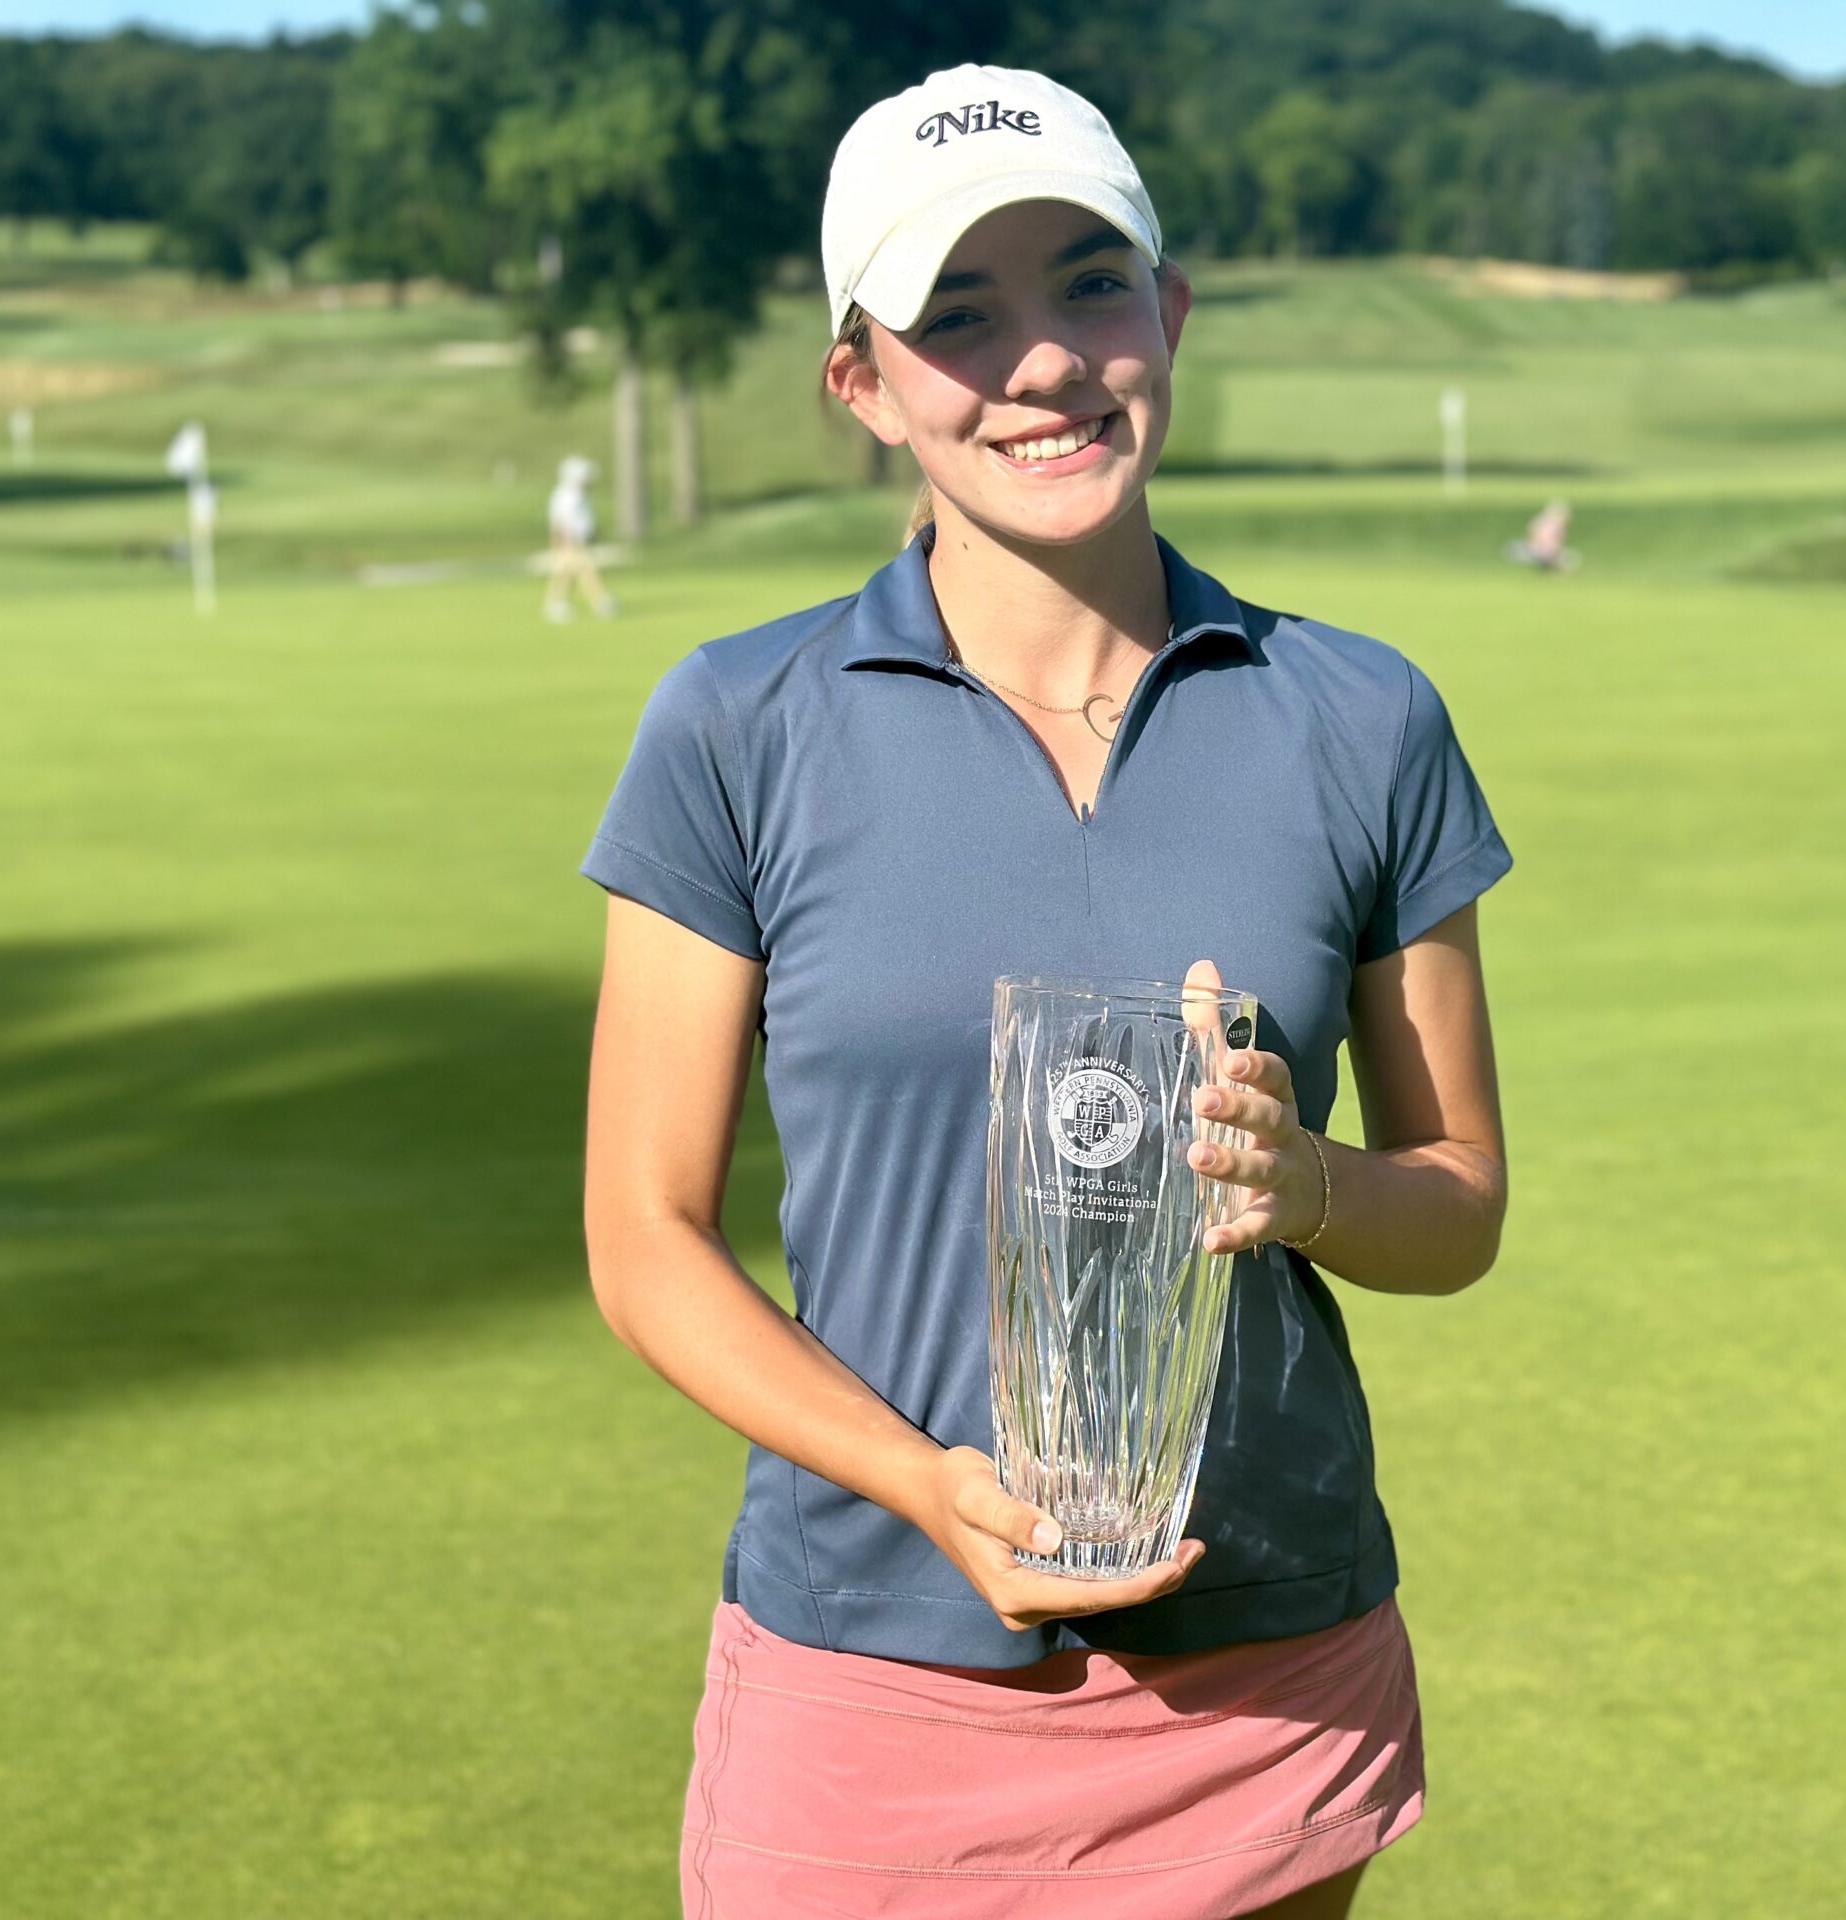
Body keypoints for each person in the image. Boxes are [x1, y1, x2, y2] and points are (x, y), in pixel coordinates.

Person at [582, 62, 1515, 1920]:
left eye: (1091, 284)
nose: (1043, 363)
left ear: (1170, 312)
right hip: (876, 1663)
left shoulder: (1361, 716)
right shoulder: (736, 727)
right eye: (959, 315)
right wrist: (928, 1489)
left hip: (1264, 1669)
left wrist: (1307, 1183)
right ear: (862, 381)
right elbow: (644, 1236)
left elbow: (1461, 1203)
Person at [543, 454, 616, 621]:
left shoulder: (579, 495)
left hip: (579, 539)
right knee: (586, 569)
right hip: (570, 540)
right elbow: (562, 520)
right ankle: (600, 601)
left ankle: (558, 603)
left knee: (567, 573)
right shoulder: (566, 496)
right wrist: (565, 540)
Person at [1504, 497, 1579, 573]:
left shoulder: (1555, 527)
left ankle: (1550, 563)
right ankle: (1551, 564)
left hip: (1543, 551)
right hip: (1540, 550)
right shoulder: (1549, 525)